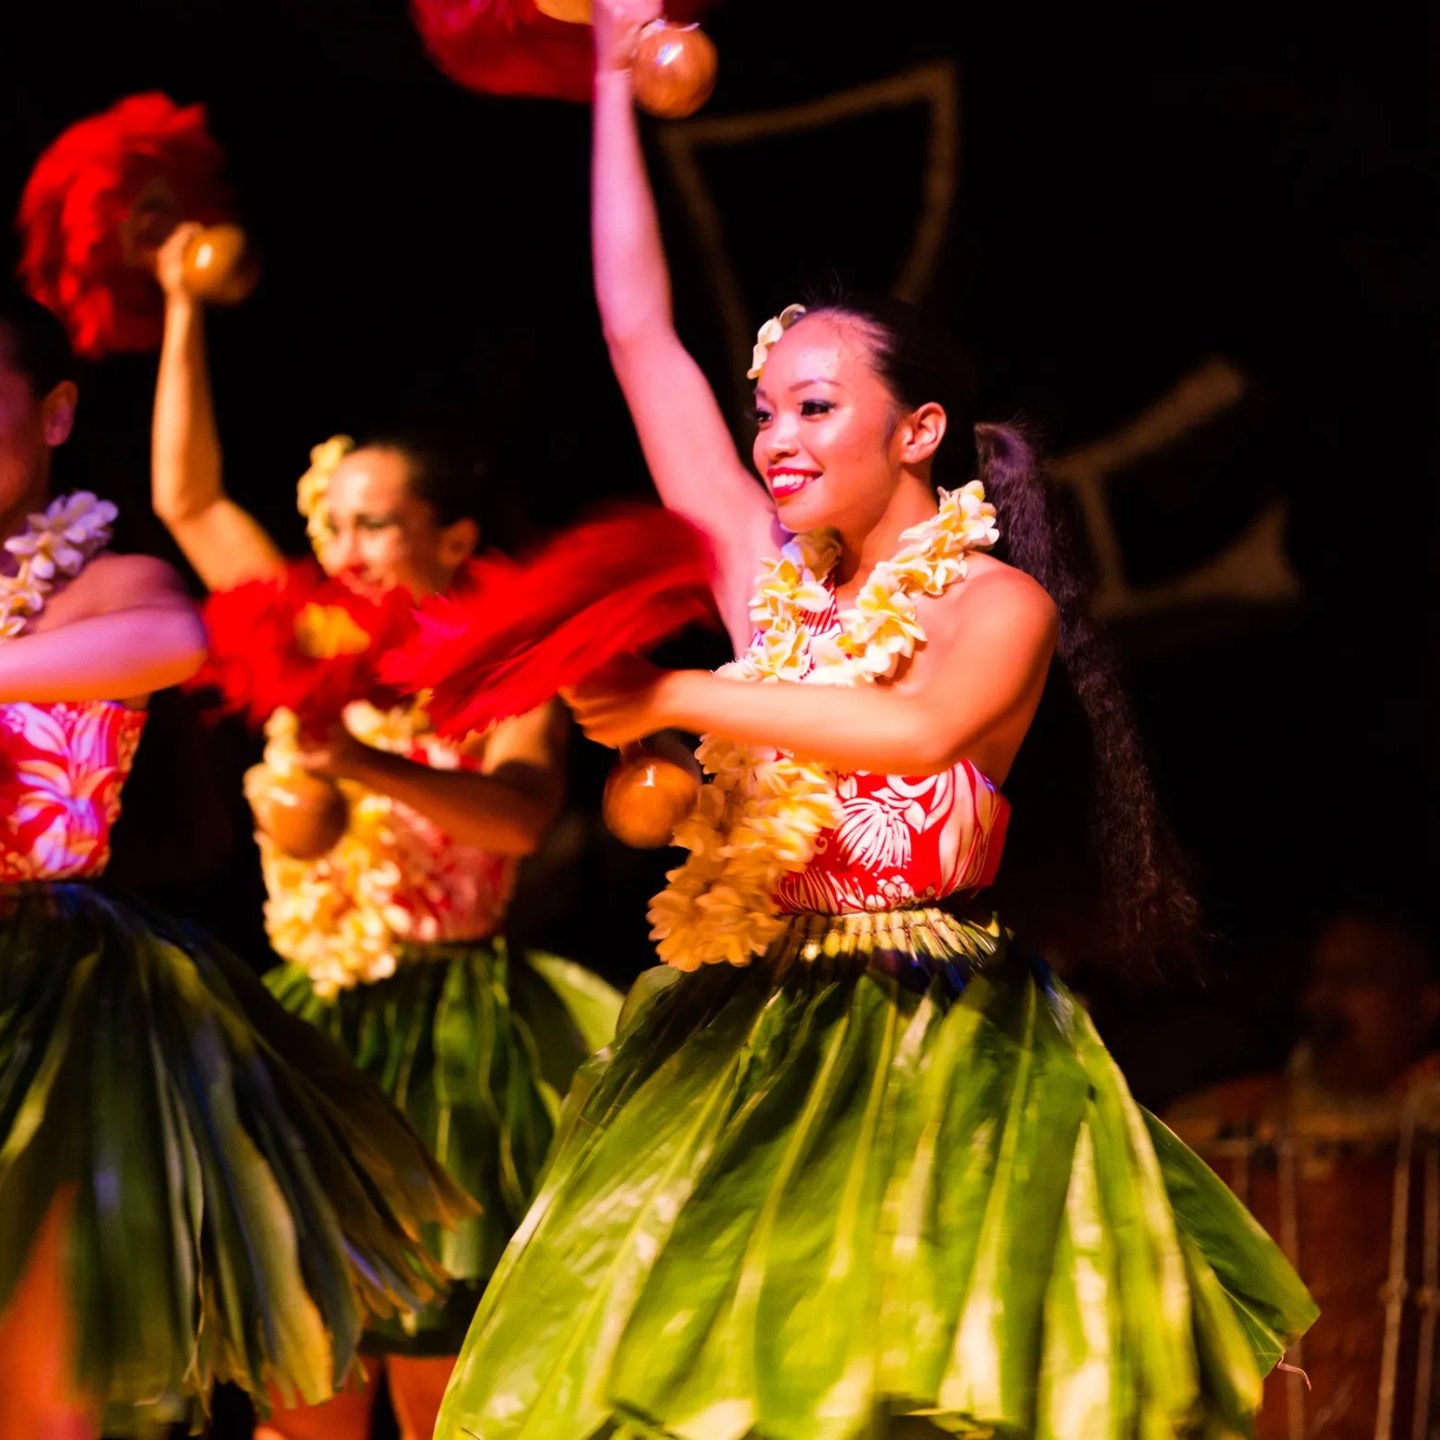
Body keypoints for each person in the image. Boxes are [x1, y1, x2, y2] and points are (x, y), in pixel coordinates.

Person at [430, 3, 1319, 1437]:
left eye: (813, 406)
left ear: (916, 432)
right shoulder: (761, 577)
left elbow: (912, 738)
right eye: (765, 408)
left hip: (935, 1033)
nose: (773, 437)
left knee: (898, 1394)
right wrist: (603, 67)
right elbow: (635, 328)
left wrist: (669, 693)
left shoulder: (996, 606)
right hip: (744, 1016)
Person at [148, 224, 622, 1440]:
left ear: (454, 542)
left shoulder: (510, 675)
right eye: (334, 524)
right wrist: (179, 307)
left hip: (461, 1050)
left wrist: (361, 761)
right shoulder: (303, 639)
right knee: (306, 1383)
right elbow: (188, 500)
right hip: (313, 1032)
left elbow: (518, 817)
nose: (341, 550)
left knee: (437, 1389)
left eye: (374, 525)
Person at [0, 290, 469, 1440]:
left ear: (55, 413)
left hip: (53, 1004)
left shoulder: (101, 584)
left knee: (41, 1375)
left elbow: (176, 639)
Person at [1166, 905, 1440, 1439]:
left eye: (1355, 979)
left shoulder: (1427, 1134)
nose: (1322, 1001)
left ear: (1426, 1004)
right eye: (1320, 979)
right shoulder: (1229, 1124)